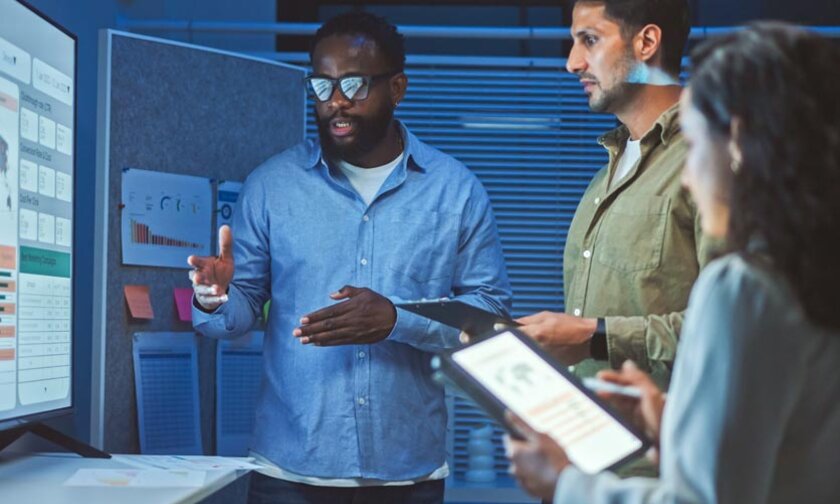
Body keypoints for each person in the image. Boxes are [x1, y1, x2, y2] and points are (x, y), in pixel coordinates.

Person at [507, 22, 840, 503]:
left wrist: (565, 484)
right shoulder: (813, 271)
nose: (686, 178)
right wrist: (676, 426)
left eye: (698, 145)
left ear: (739, 143)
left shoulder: (744, 286)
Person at [188, 11, 511, 504]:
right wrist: (215, 299)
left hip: (407, 477)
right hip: (288, 474)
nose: (335, 102)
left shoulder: (455, 192)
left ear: (397, 88)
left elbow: (490, 319)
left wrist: (396, 320)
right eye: (322, 86)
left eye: (355, 85)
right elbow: (236, 317)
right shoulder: (272, 187)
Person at [515, 0, 716, 392]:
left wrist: (595, 336)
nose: (572, 62)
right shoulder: (606, 176)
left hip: (669, 448)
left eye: (589, 40)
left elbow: (736, 326)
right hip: (596, 443)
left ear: (647, 43)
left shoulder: (711, 165)